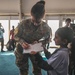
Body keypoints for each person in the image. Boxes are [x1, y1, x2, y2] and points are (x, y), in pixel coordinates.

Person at [14, 1, 51, 75]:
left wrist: (40, 43)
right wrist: (22, 42)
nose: (35, 23)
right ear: (31, 14)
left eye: (38, 21)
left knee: (38, 69)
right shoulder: (23, 24)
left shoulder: (46, 27)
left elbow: (48, 39)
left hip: (35, 50)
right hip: (22, 49)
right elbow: (16, 36)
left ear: (43, 16)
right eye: (33, 20)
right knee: (23, 69)